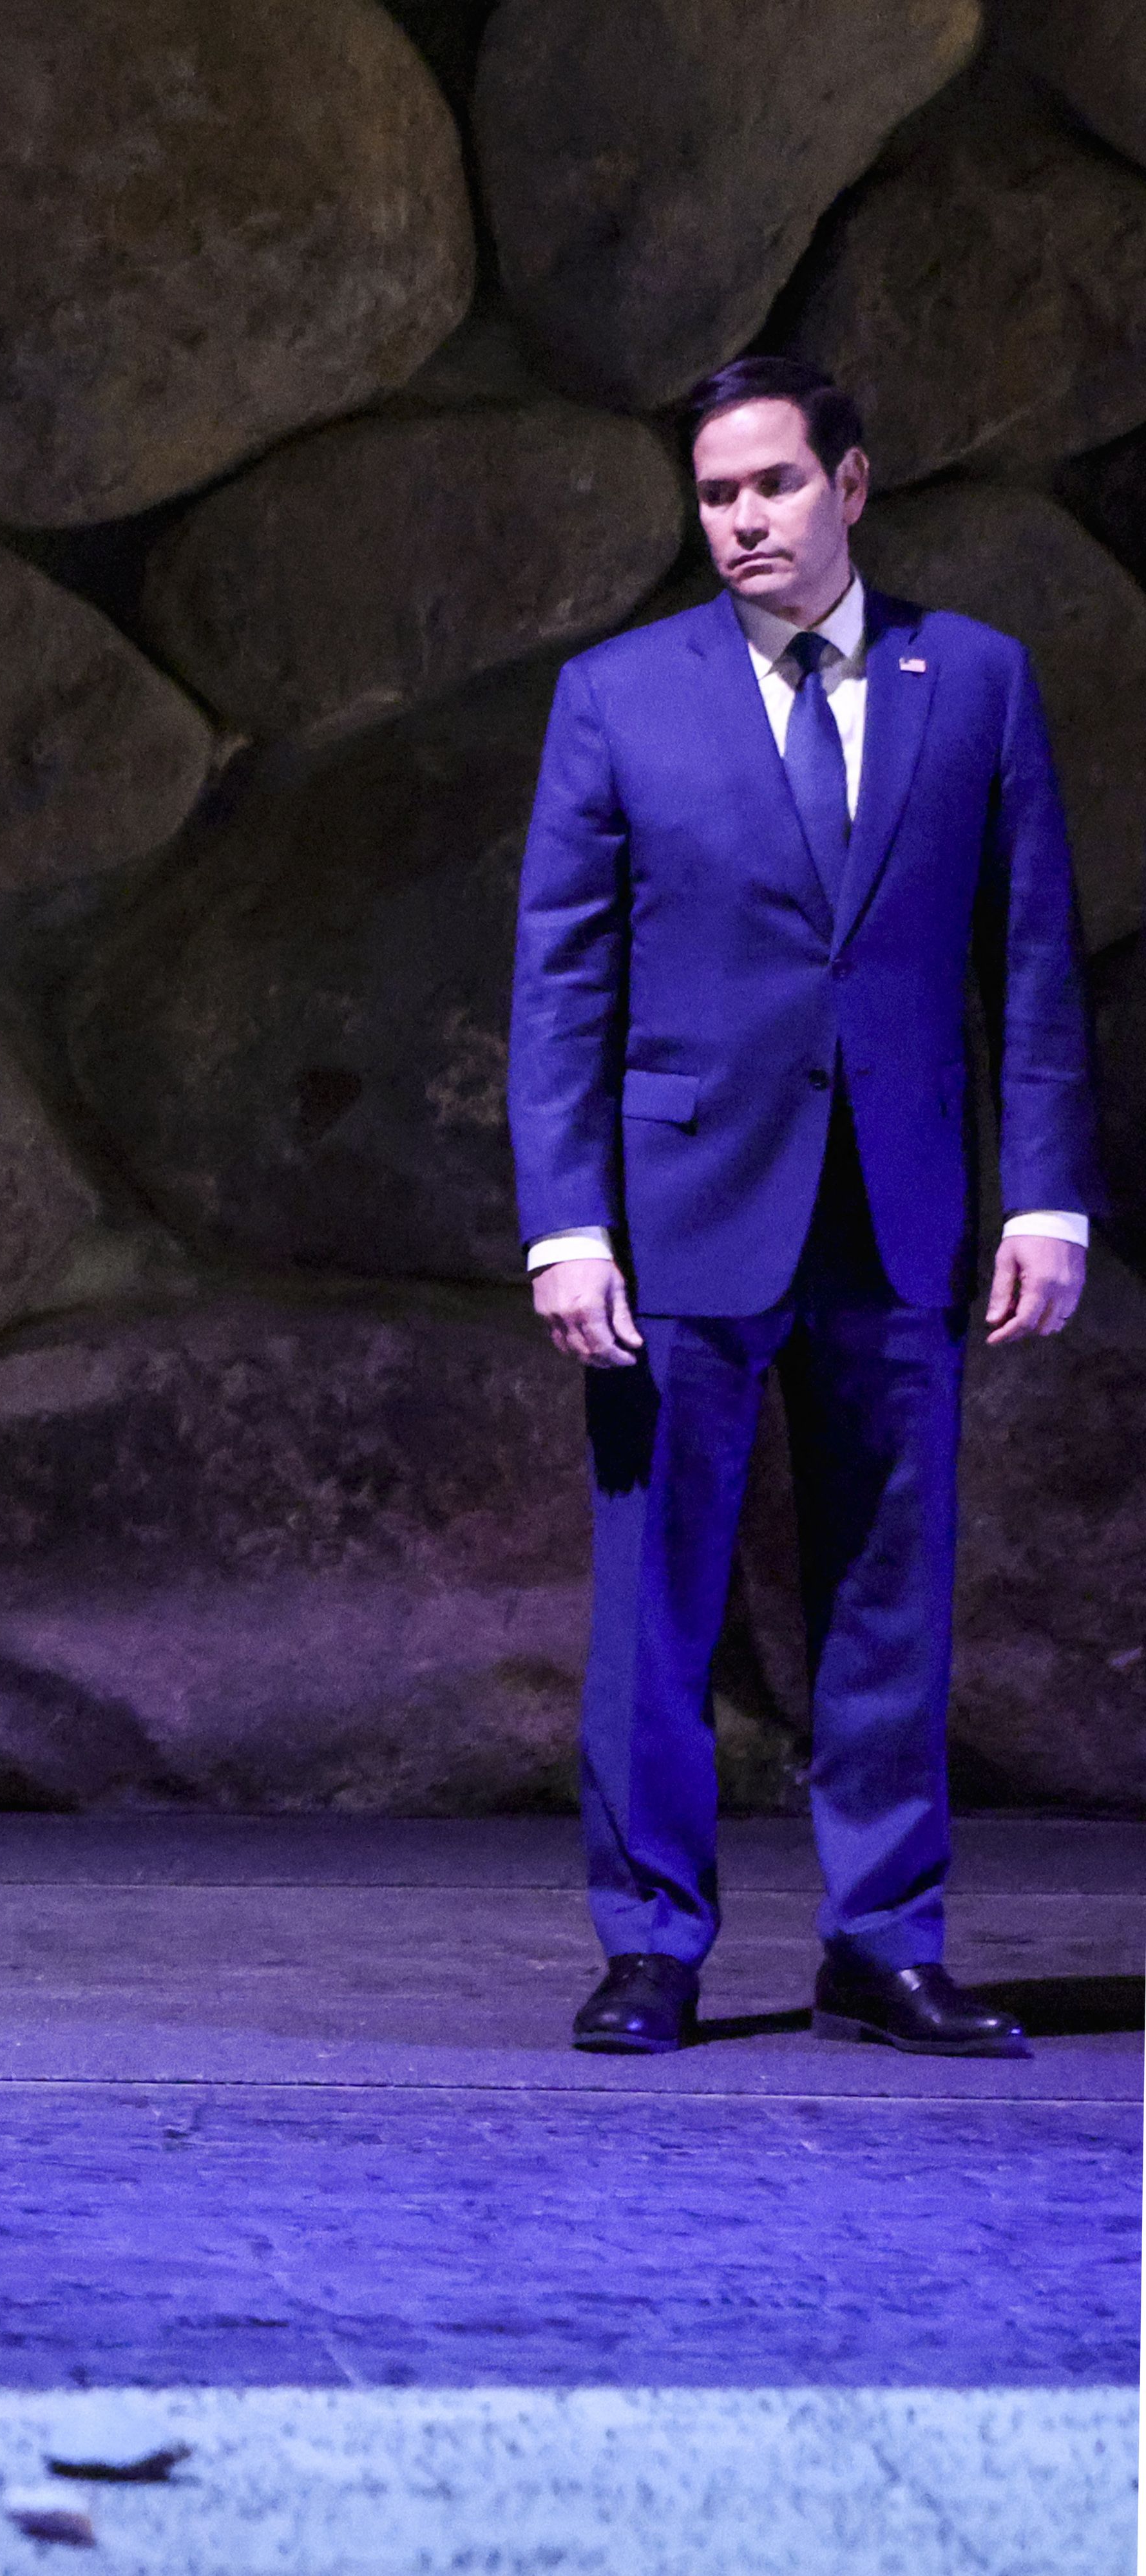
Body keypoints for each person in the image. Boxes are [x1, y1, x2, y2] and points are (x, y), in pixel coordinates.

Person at [508, 355, 1100, 2059]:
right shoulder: (618, 696)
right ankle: (651, 1948)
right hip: (685, 1209)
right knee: (657, 1604)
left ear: (851, 482)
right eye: (714, 495)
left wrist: (1046, 1197)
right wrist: (569, 1221)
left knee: (891, 1592)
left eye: (771, 484)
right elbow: (563, 983)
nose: (741, 520)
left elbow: (1031, 959)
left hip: (899, 1210)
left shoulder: (973, 681)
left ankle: (884, 1940)